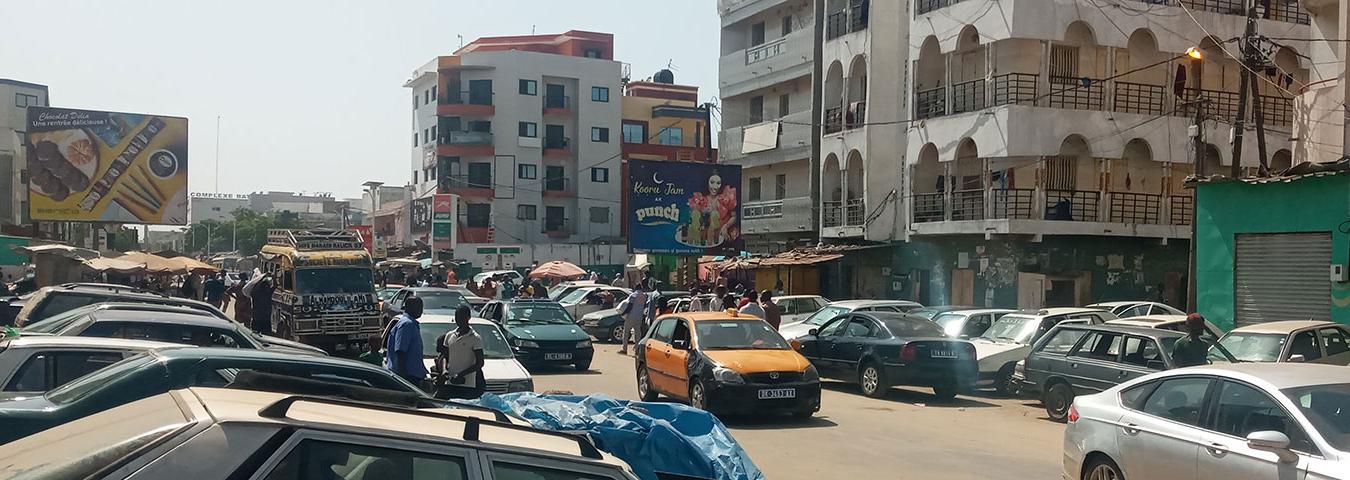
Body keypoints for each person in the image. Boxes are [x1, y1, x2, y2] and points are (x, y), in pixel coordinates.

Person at [434, 305, 486, 399]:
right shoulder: (449, 335)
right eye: (457, 317)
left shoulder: (475, 338)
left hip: (468, 384)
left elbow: (480, 363)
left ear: (468, 318)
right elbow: (445, 356)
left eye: (462, 317)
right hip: (450, 382)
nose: (459, 320)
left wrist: (461, 374)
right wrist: (445, 370)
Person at [385, 296, 429, 386]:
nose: (421, 310)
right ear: (409, 307)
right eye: (418, 307)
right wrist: (403, 379)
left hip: (412, 375)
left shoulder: (412, 323)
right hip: (407, 376)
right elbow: (400, 351)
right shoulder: (407, 324)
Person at [618, 284, 649, 355]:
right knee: (637, 333)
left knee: (626, 332)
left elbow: (629, 306)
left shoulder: (633, 295)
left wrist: (623, 313)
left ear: (635, 288)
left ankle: (624, 349)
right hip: (639, 317)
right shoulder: (644, 296)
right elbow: (644, 306)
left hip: (631, 316)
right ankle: (637, 350)